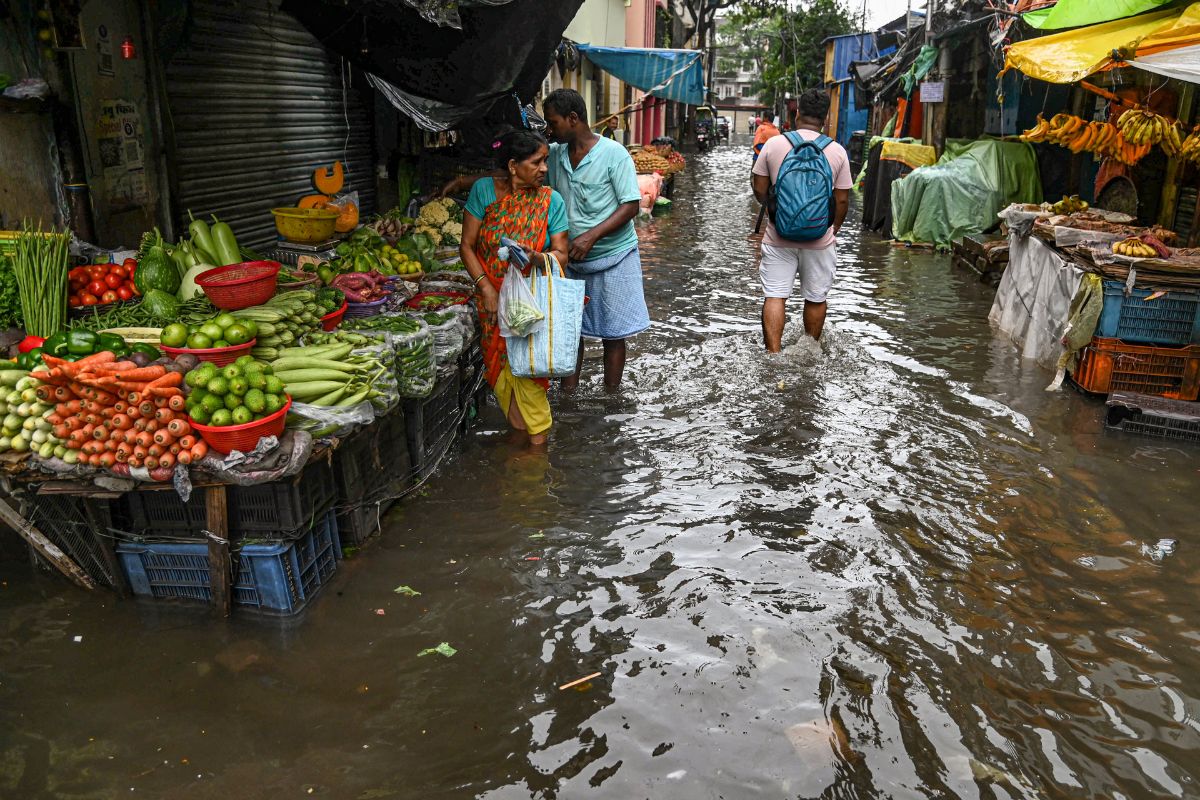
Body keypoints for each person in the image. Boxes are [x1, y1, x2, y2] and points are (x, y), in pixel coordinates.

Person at [460, 129, 570, 446]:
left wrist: (536, 257)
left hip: (530, 308)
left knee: (531, 376)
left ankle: (535, 458)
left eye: (545, 161)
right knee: (499, 374)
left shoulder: (552, 201)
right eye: (536, 162)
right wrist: (487, 290)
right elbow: (466, 246)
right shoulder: (483, 191)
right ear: (512, 165)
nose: (544, 169)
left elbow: (561, 255)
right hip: (492, 306)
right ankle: (522, 448)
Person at [541, 88, 648, 392]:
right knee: (571, 331)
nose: (550, 130)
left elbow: (630, 205)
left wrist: (590, 236)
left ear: (573, 118)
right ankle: (569, 396)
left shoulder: (615, 154)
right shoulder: (555, 154)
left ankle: (612, 397)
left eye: (553, 123)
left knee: (613, 334)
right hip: (571, 260)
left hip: (614, 255)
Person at [750, 89, 851, 350]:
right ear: (825, 118)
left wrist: (778, 210)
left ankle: (773, 354)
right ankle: (809, 351)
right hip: (820, 238)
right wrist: (832, 228)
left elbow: (759, 188)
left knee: (775, 296)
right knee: (816, 298)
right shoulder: (838, 152)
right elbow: (841, 200)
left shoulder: (774, 145)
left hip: (778, 236)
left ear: (797, 115)